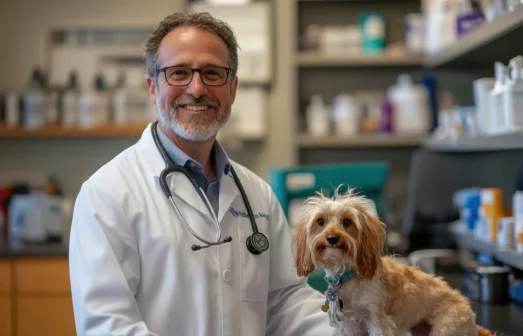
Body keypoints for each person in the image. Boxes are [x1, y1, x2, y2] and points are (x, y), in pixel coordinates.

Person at [68, 11, 335, 336]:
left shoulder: (256, 194)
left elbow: (286, 302)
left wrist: (358, 329)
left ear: (233, 88)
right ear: (152, 87)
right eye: (178, 73)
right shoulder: (106, 195)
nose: (197, 88)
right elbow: (107, 327)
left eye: (212, 73)